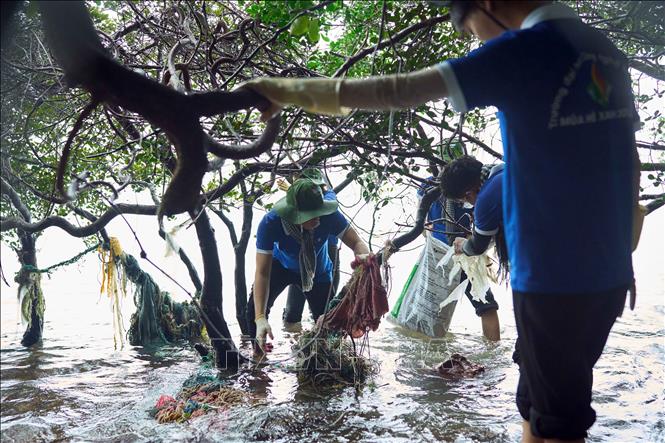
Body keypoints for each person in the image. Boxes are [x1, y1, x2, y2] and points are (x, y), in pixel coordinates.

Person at [242, 2, 641, 440]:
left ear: (486, 5)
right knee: (539, 407)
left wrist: (285, 91)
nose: (479, 43)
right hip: (609, 275)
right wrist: (624, 245)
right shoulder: (601, 49)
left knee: (559, 425)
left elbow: (398, 90)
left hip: (552, 278)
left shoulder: (521, 49)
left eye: (473, 31)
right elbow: (627, 163)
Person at [248, 178, 369, 353]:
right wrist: (260, 318)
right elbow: (262, 273)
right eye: (310, 216)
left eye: (319, 212)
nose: (317, 219)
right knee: (254, 310)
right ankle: (258, 358)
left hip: (317, 272)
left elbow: (357, 241)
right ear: (293, 214)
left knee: (327, 322)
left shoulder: (329, 215)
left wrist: (364, 256)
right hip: (281, 264)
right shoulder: (271, 222)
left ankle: (322, 360)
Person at [418, 171, 501, 341]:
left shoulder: (455, 184)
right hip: (450, 254)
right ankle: (493, 350)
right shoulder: (463, 184)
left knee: (430, 308)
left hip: (454, 254)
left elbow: (422, 228)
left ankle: (429, 351)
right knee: (485, 306)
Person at [281, 168, 341, 329]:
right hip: (302, 251)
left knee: (325, 302)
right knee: (295, 304)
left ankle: (319, 332)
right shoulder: (297, 203)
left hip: (328, 247)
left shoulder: (328, 200)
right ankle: (293, 329)